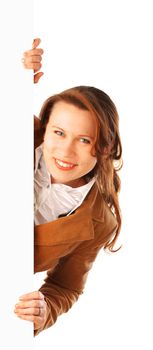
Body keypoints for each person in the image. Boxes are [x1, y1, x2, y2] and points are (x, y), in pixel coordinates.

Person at [14, 38, 123, 336]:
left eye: (84, 139)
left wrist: (44, 311)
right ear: (45, 126)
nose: (65, 150)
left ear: (104, 147)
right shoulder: (11, 130)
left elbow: (64, 286)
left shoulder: (100, 222)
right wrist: (12, 68)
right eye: (59, 133)